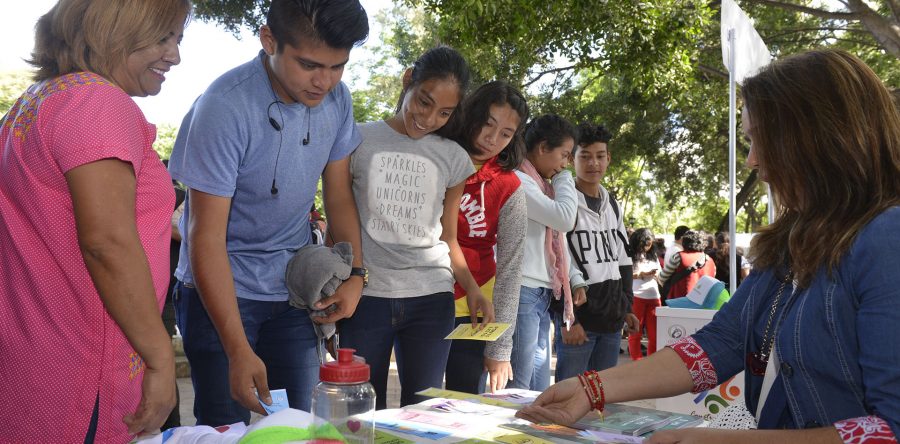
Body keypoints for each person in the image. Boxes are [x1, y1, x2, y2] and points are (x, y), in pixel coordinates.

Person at [517, 49, 900, 442]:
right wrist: (591, 388)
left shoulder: (886, 239)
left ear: (817, 137)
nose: (752, 161)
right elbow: (722, 342)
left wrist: (720, 440)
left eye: (761, 139)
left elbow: (890, 427)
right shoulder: (792, 243)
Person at [168, 0, 368, 425]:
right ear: (269, 40)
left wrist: (355, 275)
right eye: (310, 65)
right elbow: (205, 236)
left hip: (292, 290)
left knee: (298, 423)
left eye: (338, 66)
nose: (325, 81)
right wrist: (237, 349)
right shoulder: (224, 106)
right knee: (226, 428)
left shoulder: (338, 100)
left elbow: (338, 197)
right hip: (221, 293)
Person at [0, 0, 190, 441]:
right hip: (81, 370)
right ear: (114, 28)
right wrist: (160, 358)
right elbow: (107, 242)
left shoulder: (38, 100)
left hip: (36, 362)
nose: (175, 56)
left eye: (178, 39)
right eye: (163, 37)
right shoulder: (97, 102)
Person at [340, 46, 493, 409]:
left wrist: (472, 288)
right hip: (366, 297)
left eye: (445, 112)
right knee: (361, 411)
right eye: (424, 102)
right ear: (408, 80)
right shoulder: (356, 140)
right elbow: (340, 221)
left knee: (422, 414)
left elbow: (449, 236)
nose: (429, 118)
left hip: (431, 299)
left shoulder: (453, 157)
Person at [443, 81, 529, 394]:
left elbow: (510, 268)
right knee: (417, 398)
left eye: (506, 133)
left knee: (462, 400)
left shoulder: (510, 187)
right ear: (471, 114)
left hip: (475, 309)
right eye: (487, 124)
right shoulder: (436, 155)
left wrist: (500, 348)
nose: (492, 139)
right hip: (423, 296)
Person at [552, 122, 638, 380]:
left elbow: (622, 259)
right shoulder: (563, 202)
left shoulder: (612, 204)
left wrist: (627, 307)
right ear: (571, 159)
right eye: (585, 156)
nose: (593, 163)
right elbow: (554, 259)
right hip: (580, 320)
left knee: (602, 396)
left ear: (608, 158)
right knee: (569, 393)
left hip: (612, 322)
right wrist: (568, 319)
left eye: (600, 156)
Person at [508, 114, 580, 391]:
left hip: (541, 290)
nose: (565, 163)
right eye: (564, 155)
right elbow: (564, 218)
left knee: (538, 382)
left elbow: (559, 239)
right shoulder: (519, 180)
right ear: (542, 148)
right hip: (523, 290)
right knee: (520, 383)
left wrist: (574, 278)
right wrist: (565, 178)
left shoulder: (541, 185)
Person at [628, 227, 662, 361]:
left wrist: (656, 275)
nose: (647, 247)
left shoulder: (653, 256)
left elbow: (660, 274)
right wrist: (641, 274)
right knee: (635, 333)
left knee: (655, 335)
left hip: (654, 297)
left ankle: (651, 361)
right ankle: (637, 361)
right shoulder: (629, 255)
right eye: (645, 244)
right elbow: (624, 275)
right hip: (637, 296)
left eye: (650, 244)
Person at [659, 229, 716, 300]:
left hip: (681, 301)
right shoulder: (710, 260)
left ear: (684, 242)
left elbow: (662, 277)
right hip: (704, 301)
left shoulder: (678, 257)